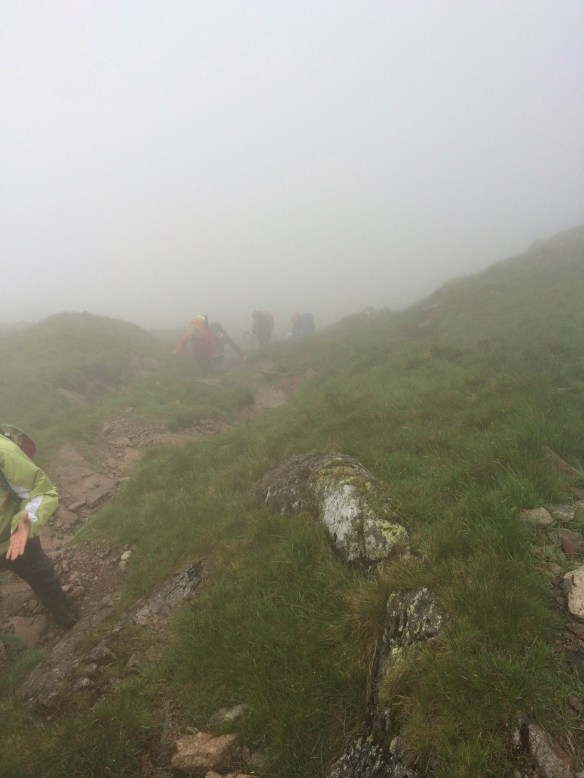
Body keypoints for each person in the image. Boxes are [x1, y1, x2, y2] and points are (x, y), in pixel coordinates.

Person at [0, 425, 78, 628]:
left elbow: (41, 492)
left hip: (14, 536)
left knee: (41, 576)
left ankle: (64, 614)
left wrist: (25, 523)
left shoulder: (4, 452)